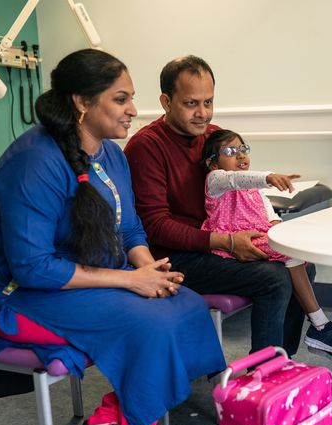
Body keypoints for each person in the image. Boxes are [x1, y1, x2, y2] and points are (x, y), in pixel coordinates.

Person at [0, 49, 225, 425]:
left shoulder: (111, 153)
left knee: (187, 305)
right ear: (82, 102)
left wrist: (147, 267)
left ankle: (121, 408)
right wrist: (130, 280)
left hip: (92, 279)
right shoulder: (33, 162)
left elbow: (129, 228)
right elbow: (32, 267)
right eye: (120, 99)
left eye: (131, 98)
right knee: (150, 326)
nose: (132, 109)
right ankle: (132, 418)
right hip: (24, 295)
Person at [124, 55, 318, 359]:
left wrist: (270, 222)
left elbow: (241, 187)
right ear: (166, 101)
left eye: (209, 102)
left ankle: (282, 361)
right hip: (176, 255)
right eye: (191, 103)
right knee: (274, 277)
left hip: (219, 242)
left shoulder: (214, 137)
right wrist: (226, 242)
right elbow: (154, 226)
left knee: (301, 264)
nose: (202, 113)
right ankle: (262, 376)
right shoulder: (146, 147)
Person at [199, 129, 332, 361]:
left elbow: (268, 210)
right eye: (231, 151)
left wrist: (277, 223)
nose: (241, 155)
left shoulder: (253, 188)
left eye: (243, 149)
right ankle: (320, 325)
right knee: (289, 252)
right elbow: (233, 179)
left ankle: (286, 353)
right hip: (236, 242)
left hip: (261, 236)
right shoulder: (215, 181)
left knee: (302, 256)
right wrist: (268, 176)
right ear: (212, 163)